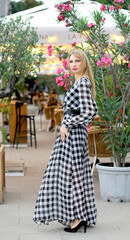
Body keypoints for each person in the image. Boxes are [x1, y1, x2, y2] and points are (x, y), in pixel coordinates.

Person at [33, 49, 98, 233]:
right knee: (68, 174)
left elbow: (89, 112)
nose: (74, 64)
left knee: (72, 174)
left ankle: (78, 217)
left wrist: (66, 124)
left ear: (84, 62)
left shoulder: (83, 83)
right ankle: (80, 214)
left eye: (78, 60)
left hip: (73, 134)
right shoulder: (79, 81)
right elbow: (91, 107)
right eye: (71, 61)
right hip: (71, 134)